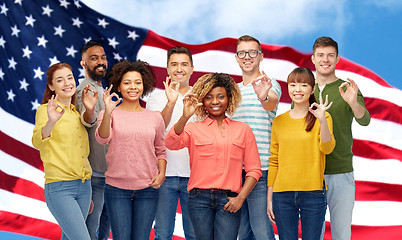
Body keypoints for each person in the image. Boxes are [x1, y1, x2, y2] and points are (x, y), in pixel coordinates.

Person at [164, 73, 262, 240]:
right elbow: (171, 143)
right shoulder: (193, 128)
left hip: (229, 199)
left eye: (220, 97)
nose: (215, 101)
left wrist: (240, 198)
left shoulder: (243, 129)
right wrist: (185, 116)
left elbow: (254, 170)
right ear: (203, 100)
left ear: (229, 98)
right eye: (209, 97)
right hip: (198, 199)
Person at [95, 60, 167, 240]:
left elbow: (160, 149)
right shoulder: (108, 113)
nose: (133, 87)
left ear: (144, 86)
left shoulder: (155, 117)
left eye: (137, 82)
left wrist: (162, 173)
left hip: (148, 188)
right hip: (116, 188)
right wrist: (109, 112)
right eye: (127, 82)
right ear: (118, 86)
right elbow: (103, 138)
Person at [311, 37, 371, 240]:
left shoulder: (348, 88)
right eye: (320, 55)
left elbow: (365, 120)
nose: (325, 60)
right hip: (310, 174)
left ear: (337, 59)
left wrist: (353, 103)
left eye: (330, 55)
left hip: (341, 172)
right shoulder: (304, 89)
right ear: (313, 59)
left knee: (342, 234)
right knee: (313, 234)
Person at [267, 67, 335, 239]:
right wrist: (269, 198)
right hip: (282, 195)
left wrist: (321, 119)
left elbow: (327, 149)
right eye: (293, 85)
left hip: (313, 193)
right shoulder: (279, 122)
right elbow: (274, 160)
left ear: (312, 89)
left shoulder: (323, 118)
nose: (297, 90)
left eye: (303, 85)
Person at [32, 63, 98, 240]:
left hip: (84, 187)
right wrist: (52, 121)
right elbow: (37, 141)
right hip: (60, 188)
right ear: (52, 86)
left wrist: (86, 191)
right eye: (60, 80)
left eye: (70, 77)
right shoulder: (45, 111)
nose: (67, 83)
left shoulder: (76, 114)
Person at [231, 35, 281, 240]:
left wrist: (263, 95)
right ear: (236, 58)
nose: (247, 57)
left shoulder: (270, 84)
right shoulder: (232, 91)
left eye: (252, 52)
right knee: (242, 233)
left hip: (261, 170)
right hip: (235, 172)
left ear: (261, 56)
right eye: (242, 53)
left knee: (262, 232)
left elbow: (271, 102)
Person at [146, 46, 196, 240]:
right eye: (174, 64)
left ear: (192, 68)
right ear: (167, 69)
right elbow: (157, 129)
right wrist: (171, 102)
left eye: (184, 64)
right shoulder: (155, 98)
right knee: (163, 233)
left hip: (195, 176)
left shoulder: (201, 98)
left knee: (194, 233)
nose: (179, 69)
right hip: (163, 175)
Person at [76, 40, 111, 240]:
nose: (100, 61)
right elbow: (87, 120)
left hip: (109, 173)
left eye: (103, 57)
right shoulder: (85, 89)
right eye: (93, 58)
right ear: (84, 64)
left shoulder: (102, 91)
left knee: (102, 231)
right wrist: (89, 111)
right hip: (94, 174)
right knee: (90, 230)